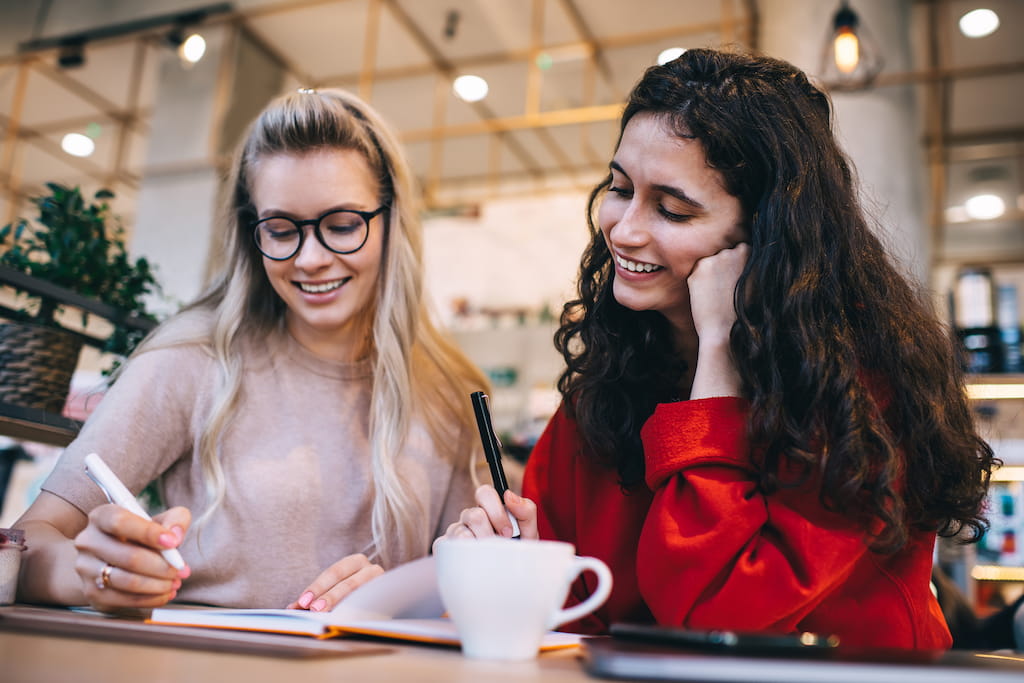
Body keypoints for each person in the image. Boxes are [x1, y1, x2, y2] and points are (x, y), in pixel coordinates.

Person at [440, 48, 997, 650]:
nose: (623, 229)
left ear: (764, 235)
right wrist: (515, 569)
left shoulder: (853, 389)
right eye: (620, 188)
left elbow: (714, 615)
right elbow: (578, 623)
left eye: (673, 210)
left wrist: (717, 352)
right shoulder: (608, 379)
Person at [15, 87, 489, 613]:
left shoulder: (451, 393)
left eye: (342, 225)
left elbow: (474, 589)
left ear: (391, 221)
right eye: (281, 230)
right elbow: (27, 540)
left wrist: (401, 597)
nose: (310, 259)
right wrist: (94, 576)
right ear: (251, 232)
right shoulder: (191, 362)